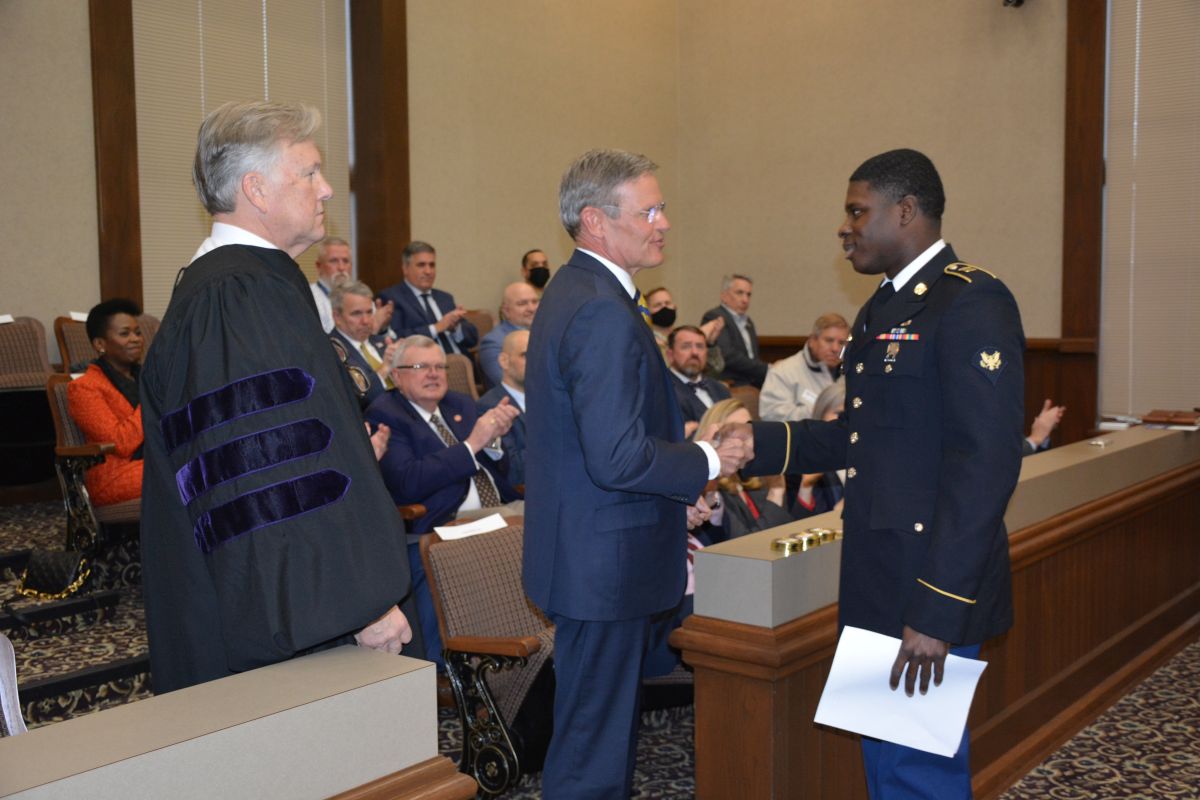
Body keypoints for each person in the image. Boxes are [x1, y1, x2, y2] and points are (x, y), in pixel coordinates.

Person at [735, 148, 1024, 799]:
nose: (845, 228)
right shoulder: (881, 308)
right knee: (886, 766)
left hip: (928, 583)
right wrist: (754, 442)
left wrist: (938, 609)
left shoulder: (970, 301)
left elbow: (985, 464)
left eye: (857, 212)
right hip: (877, 575)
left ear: (905, 211)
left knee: (919, 774)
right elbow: (859, 437)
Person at [139, 100, 413, 693]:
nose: (327, 189)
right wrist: (358, 603)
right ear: (256, 190)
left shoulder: (250, 287)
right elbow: (265, 477)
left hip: (290, 606)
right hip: (293, 622)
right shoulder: (234, 300)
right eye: (309, 172)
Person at [524, 148, 747, 798]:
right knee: (592, 753)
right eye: (649, 211)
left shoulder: (581, 292)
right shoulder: (598, 307)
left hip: (597, 552)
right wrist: (709, 459)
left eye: (662, 208)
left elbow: (593, 446)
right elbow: (617, 455)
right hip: (604, 567)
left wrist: (673, 495)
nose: (664, 223)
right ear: (596, 220)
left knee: (597, 738)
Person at [365, 335, 520, 668]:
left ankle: (526, 649)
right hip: (440, 520)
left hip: (495, 509)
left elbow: (498, 469)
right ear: (396, 375)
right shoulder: (386, 413)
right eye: (421, 366)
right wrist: (472, 445)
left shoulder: (459, 403)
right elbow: (407, 482)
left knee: (542, 526)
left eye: (439, 366)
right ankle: (463, 664)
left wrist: (494, 442)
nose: (434, 374)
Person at [66, 299, 145, 506]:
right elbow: (120, 443)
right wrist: (150, 401)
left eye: (138, 333)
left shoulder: (147, 378)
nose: (136, 339)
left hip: (153, 463)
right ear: (100, 344)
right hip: (114, 476)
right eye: (125, 334)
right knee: (194, 471)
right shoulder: (85, 387)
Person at [694, 399, 793, 542]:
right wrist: (776, 492)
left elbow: (788, 529)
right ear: (714, 440)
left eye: (749, 431)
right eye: (737, 433)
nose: (748, 441)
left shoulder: (750, 476)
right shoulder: (709, 490)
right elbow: (749, 545)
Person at [377, 241, 479, 355]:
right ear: (405, 268)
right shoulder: (392, 298)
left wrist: (456, 328)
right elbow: (395, 339)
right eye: (421, 265)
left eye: (432, 265)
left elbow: (473, 340)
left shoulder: (445, 298)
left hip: (461, 363)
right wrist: (436, 328)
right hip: (423, 364)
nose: (428, 271)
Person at [759, 312, 850, 421]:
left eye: (841, 343)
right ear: (812, 340)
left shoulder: (852, 372)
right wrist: (821, 411)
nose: (835, 348)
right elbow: (771, 415)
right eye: (829, 340)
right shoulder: (782, 372)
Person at [330, 281, 395, 408]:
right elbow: (354, 400)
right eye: (356, 313)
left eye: (369, 312)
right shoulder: (330, 351)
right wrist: (385, 369)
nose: (366, 321)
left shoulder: (383, 342)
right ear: (337, 316)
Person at [477, 329, 530, 486]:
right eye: (526, 355)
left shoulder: (555, 399)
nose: (535, 362)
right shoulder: (489, 408)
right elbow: (513, 472)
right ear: (504, 361)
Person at [791, 381, 847, 518]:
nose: (847, 421)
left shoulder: (870, 454)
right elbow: (798, 521)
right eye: (840, 414)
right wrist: (806, 487)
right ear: (821, 414)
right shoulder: (805, 457)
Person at [702, 274, 769, 387]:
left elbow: (753, 357)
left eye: (748, 295)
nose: (745, 300)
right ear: (724, 296)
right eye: (739, 293)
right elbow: (727, 356)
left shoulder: (748, 323)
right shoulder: (715, 317)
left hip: (754, 382)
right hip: (731, 384)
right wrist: (767, 368)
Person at [645, 286, 725, 377]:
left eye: (667, 303)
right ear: (647, 311)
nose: (664, 308)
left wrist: (710, 343)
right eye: (658, 305)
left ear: (674, 307)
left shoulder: (682, 335)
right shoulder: (647, 340)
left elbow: (716, 368)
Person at [665, 324, 732, 434]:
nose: (695, 353)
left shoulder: (720, 389)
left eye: (700, 346)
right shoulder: (663, 390)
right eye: (686, 346)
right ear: (670, 355)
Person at [477, 281, 539, 388]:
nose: (532, 309)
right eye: (522, 303)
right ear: (506, 311)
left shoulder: (547, 334)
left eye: (535, 302)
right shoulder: (494, 342)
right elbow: (507, 383)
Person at [309, 236, 352, 333]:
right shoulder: (308, 298)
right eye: (334, 261)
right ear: (319, 266)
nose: (341, 268)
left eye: (345, 261)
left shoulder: (360, 297)